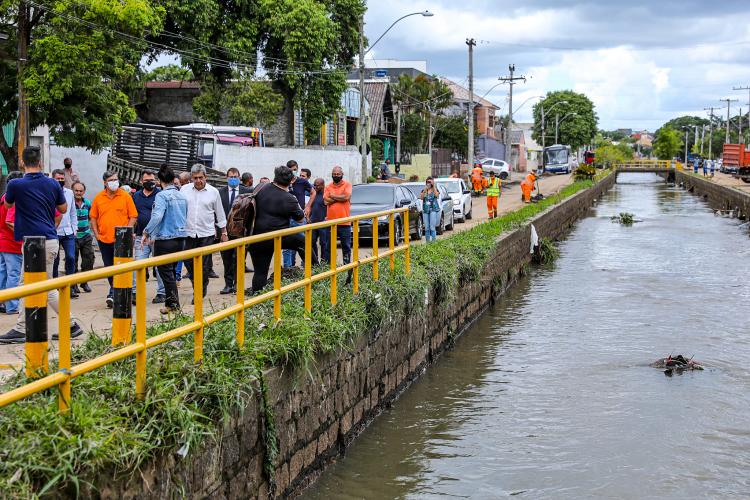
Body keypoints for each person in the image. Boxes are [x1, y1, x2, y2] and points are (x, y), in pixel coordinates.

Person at [0, 146, 83, 343]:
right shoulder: (53, 184)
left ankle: (25, 328)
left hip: (32, 242)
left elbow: (8, 205)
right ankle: (67, 325)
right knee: (41, 285)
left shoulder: (16, 185)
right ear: (40, 162)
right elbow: (62, 208)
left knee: (35, 285)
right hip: (49, 239)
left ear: (22, 163)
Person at [247, 165, 316, 294]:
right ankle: (316, 269)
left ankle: (258, 299)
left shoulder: (261, 188)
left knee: (260, 272)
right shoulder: (289, 198)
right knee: (303, 241)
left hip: (257, 237)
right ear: (291, 181)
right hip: (278, 236)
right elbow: (300, 219)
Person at [142, 165, 188, 314]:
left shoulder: (161, 196)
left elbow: (157, 216)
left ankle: (174, 304)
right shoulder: (182, 195)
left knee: (166, 273)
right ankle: (170, 303)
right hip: (180, 239)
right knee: (172, 272)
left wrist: (147, 232)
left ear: (160, 181)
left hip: (165, 239)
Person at [90, 170, 138, 308]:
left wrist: (127, 232)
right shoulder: (99, 198)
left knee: (122, 268)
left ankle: (114, 294)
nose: (114, 182)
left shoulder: (125, 196)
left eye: (116, 179)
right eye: (111, 180)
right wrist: (97, 234)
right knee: (109, 268)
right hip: (104, 240)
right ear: (105, 183)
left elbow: (133, 216)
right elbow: (93, 217)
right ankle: (115, 291)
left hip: (122, 240)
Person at [181, 163, 227, 299]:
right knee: (188, 261)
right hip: (188, 233)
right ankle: (198, 284)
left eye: (201, 177)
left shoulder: (214, 192)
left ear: (205, 177)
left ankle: (199, 292)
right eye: (195, 178)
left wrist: (224, 232)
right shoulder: (184, 190)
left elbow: (220, 213)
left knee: (204, 265)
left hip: (206, 233)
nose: (198, 181)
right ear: (191, 178)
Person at [131, 170, 166, 303]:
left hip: (158, 237)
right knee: (138, 265)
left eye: (151, 180)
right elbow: (134, 214)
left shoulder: (160, 195)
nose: (149, 183)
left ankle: (162, 293)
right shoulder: (137, 196)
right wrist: (133, 231)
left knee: (159, 266)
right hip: (141, 237)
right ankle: (135, 293)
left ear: (156, 181)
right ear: (141, 181)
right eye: (146, 181)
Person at [218, 167, 251, 294]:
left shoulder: (247, 191)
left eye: (235, 176)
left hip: (241, 231)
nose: (233, 179)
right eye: (230, 177)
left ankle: (238, 283)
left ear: (239, 178)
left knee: (239, 258)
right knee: (226, 259)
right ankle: (228, 284)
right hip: (225, 231)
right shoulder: (220, 192)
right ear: (227, 178)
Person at [51, 170, 78, 298]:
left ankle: (71, 286)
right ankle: (55, 287)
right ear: (53, 179)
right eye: (58, 178)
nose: (60, 180)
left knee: (71, 257)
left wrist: (74, 228)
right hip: (54, 231)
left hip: (68, 231)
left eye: (62, 178)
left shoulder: (69, 193)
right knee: (54, 261)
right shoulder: (49, 191)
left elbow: (73, 212)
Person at [0, 171, 23, 315]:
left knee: (2, 274)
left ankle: (3, 301)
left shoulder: (4, 198)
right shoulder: (14, 199)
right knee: (13, 274)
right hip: (12, 242)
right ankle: (12, 305)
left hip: (3, 241)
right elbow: (10, 221)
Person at [283, 160, 313, 268]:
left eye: (295, 170)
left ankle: (307, 267)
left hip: (299, 218)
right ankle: (288, 269)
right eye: (290, 170)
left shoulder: (302, 182)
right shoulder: (283, 181)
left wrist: (308, 206)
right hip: (285, 218)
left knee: (302, 243)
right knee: (286, 246)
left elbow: (313, 192)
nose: (293, 172)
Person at [323, 165, 352, 276]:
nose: (336, 175)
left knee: (346, 247)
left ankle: (347, 268)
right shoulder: (328, 186)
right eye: (334, 174)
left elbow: (346, 197)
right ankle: (329, 269)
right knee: (328, 247)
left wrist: (333, 196)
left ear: (342, 174)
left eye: (338, 174)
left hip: (344, 222)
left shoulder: (347, 185)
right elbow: (325, 201)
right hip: (331, 223)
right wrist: (340, 197)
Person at [71, 181, 94, 294]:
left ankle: (84, 282)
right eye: (76, 190)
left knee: (89, 259)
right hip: (73, 236)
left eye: (81, 191)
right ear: (72, 191)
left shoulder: (87, 203)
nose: (78, 193)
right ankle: (73, 284)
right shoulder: (70, 203)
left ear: (84, 192)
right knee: (73, 260)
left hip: (86, 235)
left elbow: (90, 216)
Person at [308, 178, 328, 260]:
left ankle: (323, 262)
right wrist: (308, 218)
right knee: (312, 242)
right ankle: (315, 261)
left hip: (323, 223)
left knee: (323, 243)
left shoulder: (326, 195)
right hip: (313, 223)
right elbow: (309, 207)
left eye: (317, 185)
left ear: (323, 185)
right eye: (314, 184)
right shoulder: (313, 194)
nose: (315, 186)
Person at [419, 177, 441, 242]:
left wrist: (433, 186)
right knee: (426, 228)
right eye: (428, 182)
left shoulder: (435, 189)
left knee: (432, 227)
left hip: (433, 209)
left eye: (430, 182)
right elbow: (421, 198)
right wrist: (425, 189)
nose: (429, 183)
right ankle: (428, 243)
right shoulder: (424, 190)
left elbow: (437, 196)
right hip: (425, 210)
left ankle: (433, 243)